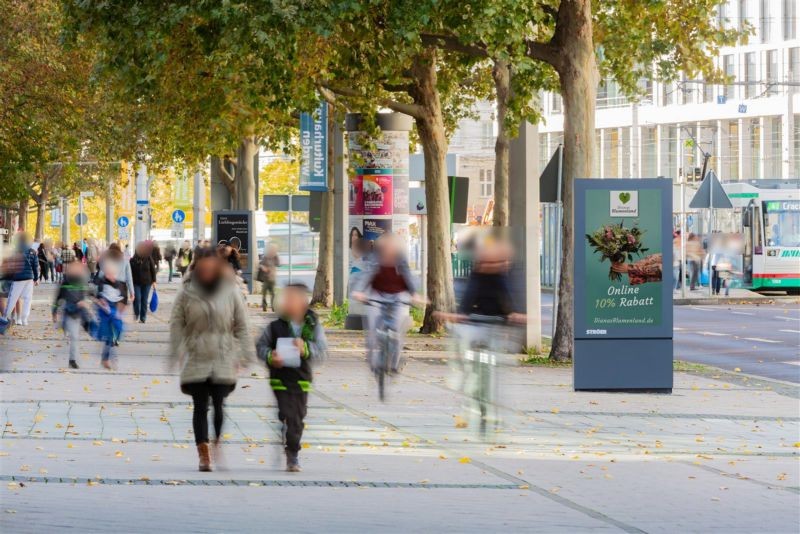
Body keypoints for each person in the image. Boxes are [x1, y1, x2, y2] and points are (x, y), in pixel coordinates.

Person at [168, 247, 253, 472]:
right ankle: (203, 453)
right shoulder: (186, 292)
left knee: (218, 404)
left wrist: (246, 353)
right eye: (202, 267)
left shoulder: (229, 290)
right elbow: (176, 322)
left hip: (223, 356)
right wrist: (176, 350)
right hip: (197, 356)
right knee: (199, 406)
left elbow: (242, 324)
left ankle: (215, 441)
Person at [256, 283, 327, 472]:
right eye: (286, 299)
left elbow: (322, 351)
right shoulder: (275, 326)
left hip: (301, 379)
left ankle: (292, 450)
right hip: (280, 379)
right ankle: (291, 448)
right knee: (288, 413)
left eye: (292, 299)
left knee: (297, 417)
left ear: (303, 302)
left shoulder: (313, 325)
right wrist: (271, 356)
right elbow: (260, 347)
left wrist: (306, 349)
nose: (288, 303)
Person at [352, 233, 424, 373]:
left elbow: (408, 277)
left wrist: (415, 295)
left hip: (398, 296)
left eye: (391, 247)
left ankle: (394, 364)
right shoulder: (374, 258)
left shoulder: (400, 259)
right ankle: (373, 360)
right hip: (377, 294)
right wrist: (359, 292)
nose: (388, 250)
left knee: (396, 331)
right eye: (385, 247)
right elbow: (365, 276)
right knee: (373, 329)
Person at [52, 248, 91, 369]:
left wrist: (85, 304)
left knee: (74, 336)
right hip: (68, 311)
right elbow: (58, 298)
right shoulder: (65, 282)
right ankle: (64, 327)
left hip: (77, 313)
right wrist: (54, 311)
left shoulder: (82, 282)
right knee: (69, 330)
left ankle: (72, 360)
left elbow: (85, 296)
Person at [94, 261, 128, 369]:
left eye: (113, 273)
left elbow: (124, 299)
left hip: (114, 311)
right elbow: (94, 296)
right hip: (104, 312)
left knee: (118, 330)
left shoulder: (119, 284)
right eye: (109, 273)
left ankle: (108, 355)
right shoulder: (100, 283)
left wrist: (120, 310)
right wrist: (101, 302)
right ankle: (107, 359)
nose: (111, 275)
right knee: (109, 336)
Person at [1, 233, 39, 328]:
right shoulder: (32, 251)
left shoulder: (14, 250)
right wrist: (36, 278)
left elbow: (11, 265)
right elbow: (35, 266)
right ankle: (24, 319)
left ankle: (5, 317)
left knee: (12, 298)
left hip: (18, 278)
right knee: (27, 299)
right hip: (29, 278)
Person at [130, 242, 157, 323]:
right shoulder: (132, 260)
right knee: (137, 298)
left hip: (147, 283)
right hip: (136, 282)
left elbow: (153, 270)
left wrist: (154, 281)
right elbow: (130, 273)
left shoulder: (148, 258)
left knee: (144, 300)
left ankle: (143, 317)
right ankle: (136, 313)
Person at [258, 243, 280, 312]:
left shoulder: (275, 257)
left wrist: (276, 256)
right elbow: (260, 265)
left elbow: (278, 264)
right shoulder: (265, 257)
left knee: (273, 294)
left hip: (272, 278)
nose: (272, 250)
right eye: (271, 249)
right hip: (265, 279)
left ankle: (273, 307)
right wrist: (264, 268)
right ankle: (264, 307)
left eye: (274, 249)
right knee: (264, 294)